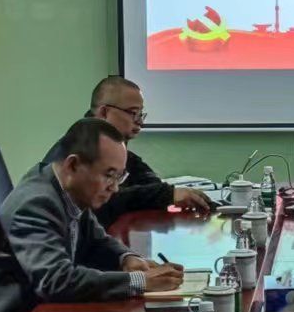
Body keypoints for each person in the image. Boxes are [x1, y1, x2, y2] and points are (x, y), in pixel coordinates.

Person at [0, 117, 187, 312]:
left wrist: (126, 258)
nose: (115, 188)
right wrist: (140, 282)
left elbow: (96, 238)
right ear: (73, 165)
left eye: (119, 177)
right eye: (108, 175)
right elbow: (56, 281)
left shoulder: (68, 189)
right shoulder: (35, 204)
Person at [83, 74, 215, 225]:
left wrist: (171, 194)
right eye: (133, 113)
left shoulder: (122, 155)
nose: (140, 121)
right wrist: (167, 195)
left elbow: (150, 184)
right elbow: (102, 200)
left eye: (141, 114)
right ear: (104, 113)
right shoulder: (80, 150)